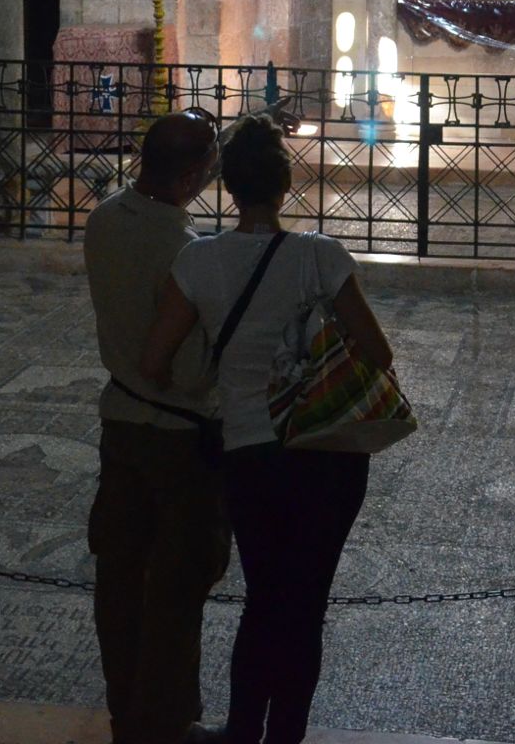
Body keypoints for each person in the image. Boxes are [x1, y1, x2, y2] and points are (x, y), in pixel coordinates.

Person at [141, 114, 394, 744]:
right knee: (306, 603)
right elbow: (378, 353)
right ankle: (286, 734)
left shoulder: (198, 262)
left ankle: (243, 731)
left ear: (228, 187)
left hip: (251, 450)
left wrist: (218, 387)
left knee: (263, 596)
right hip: (328, 453)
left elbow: (154, 363)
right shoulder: (320, 255)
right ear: (283, 187)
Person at [84, 111, 232, 744]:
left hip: (120, 423)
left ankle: (127, 717)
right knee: (176, 588)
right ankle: (169, 725)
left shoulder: (102, 220)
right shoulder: (186, 252)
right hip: (179, 440)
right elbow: (190, 370)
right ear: (196, 174)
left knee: (119, 581)